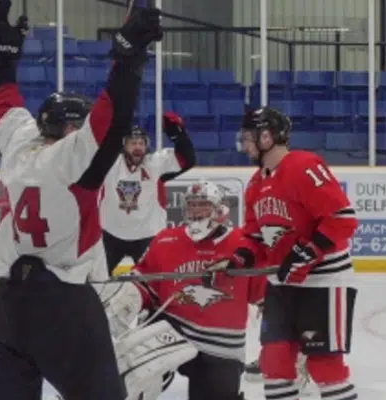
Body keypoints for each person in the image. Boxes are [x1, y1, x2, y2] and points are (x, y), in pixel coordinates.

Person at [0, 1, 169, 399]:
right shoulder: (72, 159)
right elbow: (111, 117)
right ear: (67, 128)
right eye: (75, 124)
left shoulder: (19, 146)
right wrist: (129, 56)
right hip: (62, 304)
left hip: (9, 304)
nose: (81, 129)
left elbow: (2, 105)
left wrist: (2, 55)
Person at [224, 106, 358, 400]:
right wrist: (242, 256)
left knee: (325, 367)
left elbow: (342, 219)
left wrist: (303, 253)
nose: (244, 144)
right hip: (282, 284)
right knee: (274, 361)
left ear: (267, 137)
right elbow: (254, 235)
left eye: (248, 137)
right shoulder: (256, 183)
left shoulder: (304, 166)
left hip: (324, 282)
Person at [119, 179, 265, 400]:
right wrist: (128, 295)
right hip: (172, 329)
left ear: (219, 208)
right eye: (191, 204)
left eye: (202, 204)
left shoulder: (242, 244)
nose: (195, 210)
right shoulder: (166, 239)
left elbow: (264, 295)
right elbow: (145, 283)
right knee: (131, 381)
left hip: (221, 343)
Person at [100, 118, 195, 274]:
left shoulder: (155, 164)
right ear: (124, 145)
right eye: (133, 143)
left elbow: (187, 160)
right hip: (111, 234)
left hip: (148, 235)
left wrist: (178, 136)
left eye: (141, 143)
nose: (138, 147)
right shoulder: (109, 163)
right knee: (98, 280)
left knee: (155, 282)